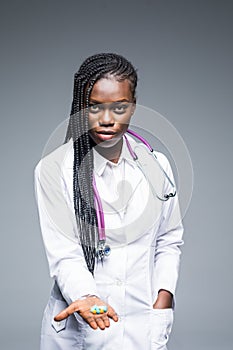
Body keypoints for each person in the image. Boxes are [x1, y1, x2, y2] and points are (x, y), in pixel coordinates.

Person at [34, 53, 184, 350]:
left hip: (143, 325)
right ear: (80, 108)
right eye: (95, 107)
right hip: (82, 327)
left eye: (119, 108)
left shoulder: (157, 165)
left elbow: (169, 239)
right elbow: (65, 253)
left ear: (133, 107)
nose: (107, 119)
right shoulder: (54, 170)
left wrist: (163, 298)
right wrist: (86, 296)